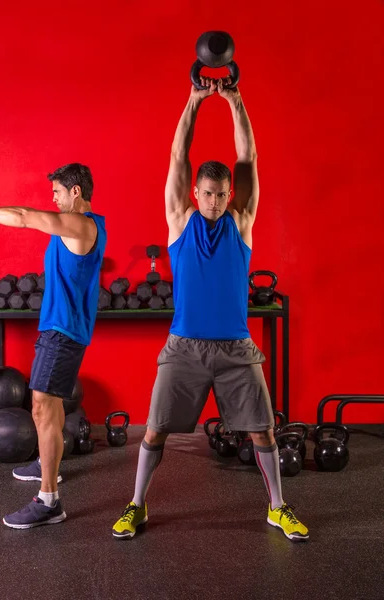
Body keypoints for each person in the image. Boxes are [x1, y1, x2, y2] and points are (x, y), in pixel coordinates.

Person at [112, 78, 309, 542]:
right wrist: (196, 100)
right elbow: (178, 156)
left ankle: (278, 508)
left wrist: (235, 100)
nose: (216, 201)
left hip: (237, 348)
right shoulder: (179, 223)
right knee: (156, 430)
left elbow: (249, 159)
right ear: (195, 193)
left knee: (263, 431)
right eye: (208, 193)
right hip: (184, 347)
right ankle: (136, 505)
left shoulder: (241, 223)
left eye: (222, 193)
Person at [0, 163, 106, 529]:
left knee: (41, 406)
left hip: (64, 331)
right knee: (46, 405)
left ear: (75, 192)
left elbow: (24, 217)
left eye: (57, 192)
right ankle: (46, 461)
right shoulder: (75, 226)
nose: (52, 199)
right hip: (56, 327)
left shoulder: (82, 224)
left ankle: (49, 500)